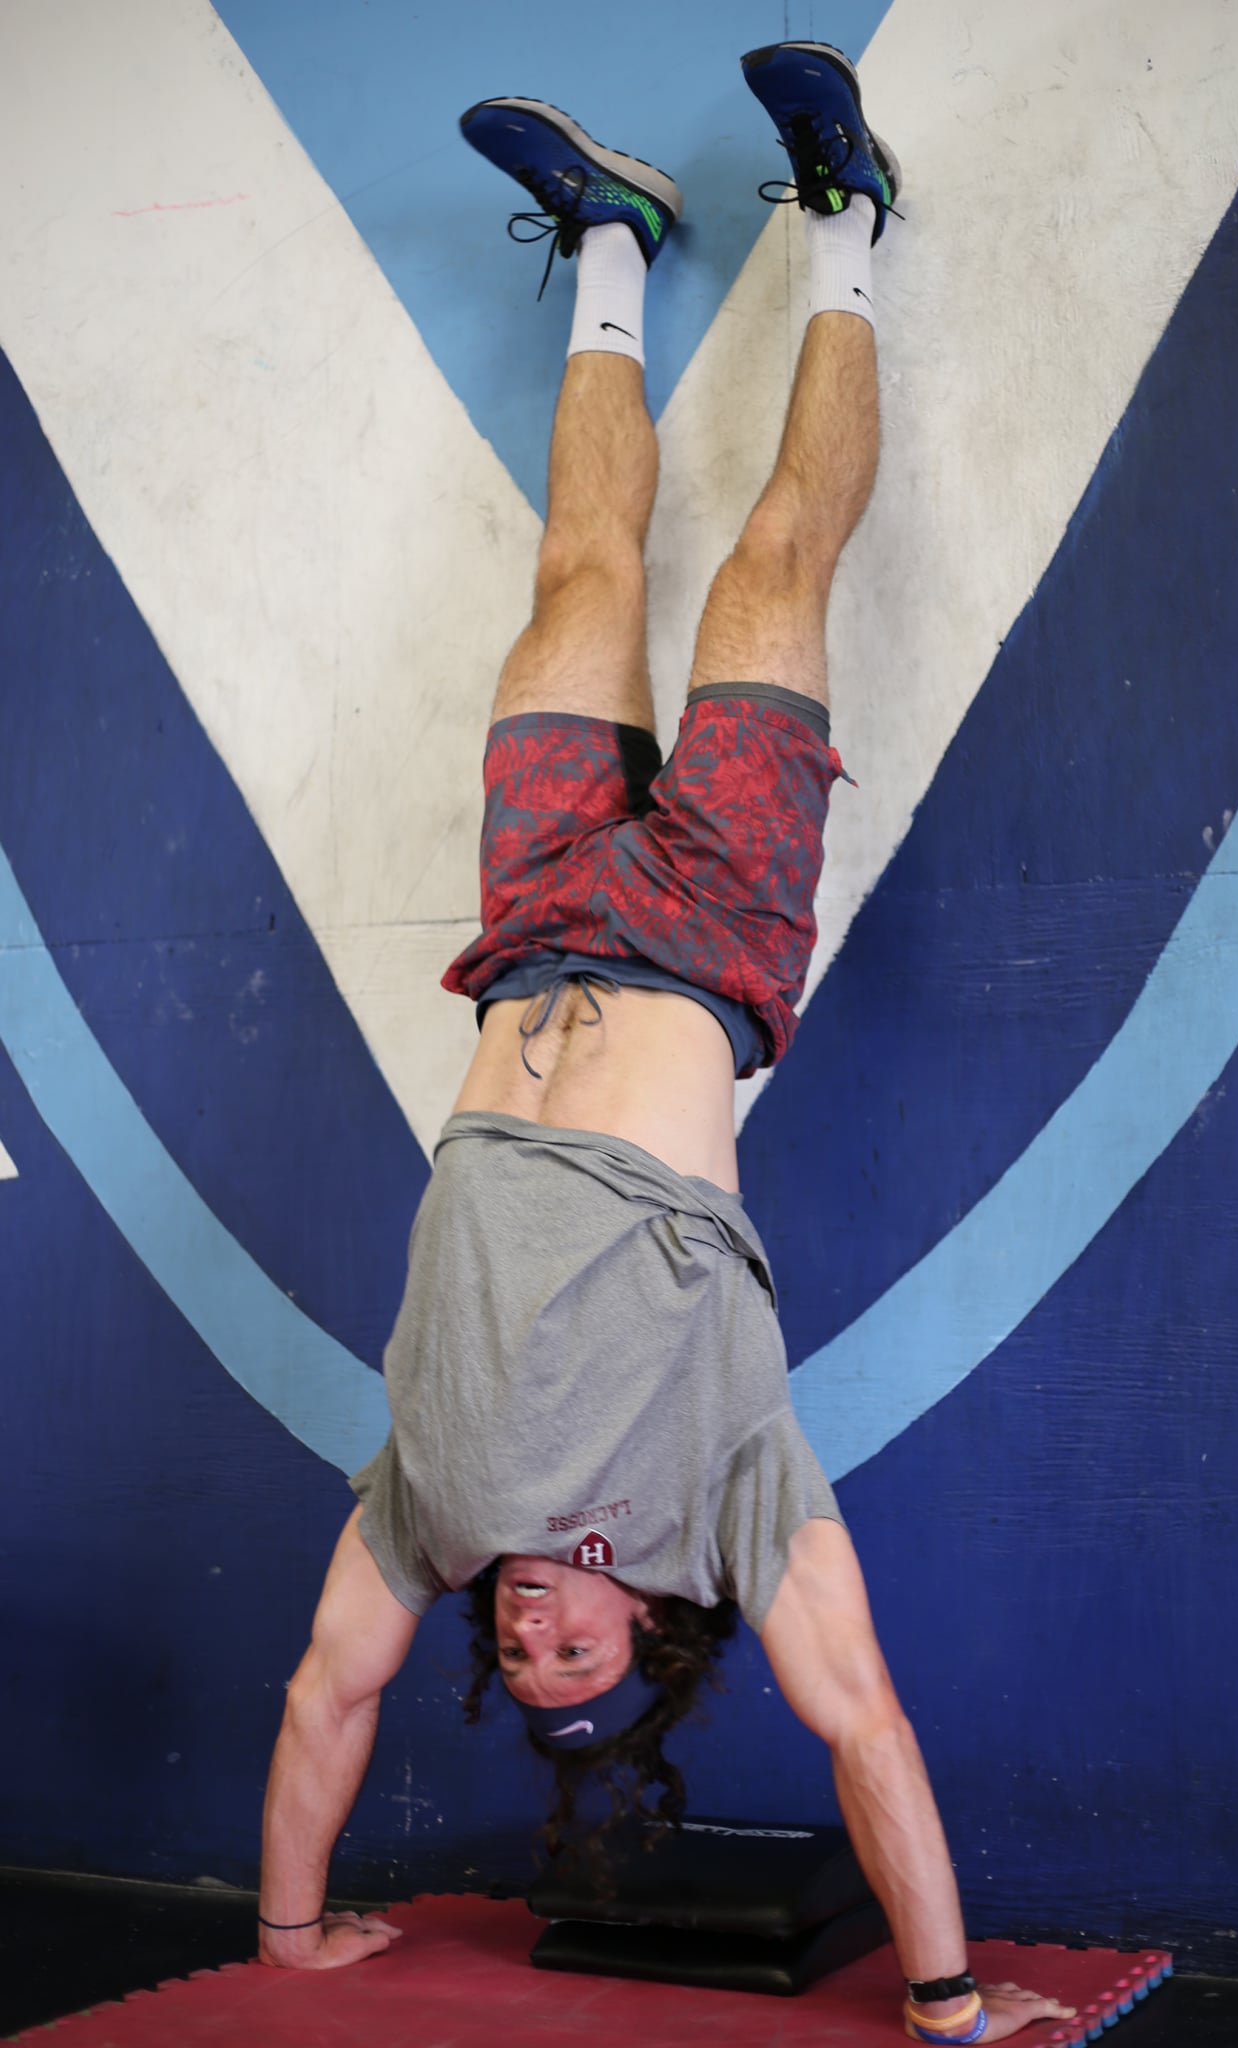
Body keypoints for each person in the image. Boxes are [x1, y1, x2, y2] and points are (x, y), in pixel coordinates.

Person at [256, 44, 1075, 2045]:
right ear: (656, 1624)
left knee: (577, 570)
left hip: (533, 928)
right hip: (708, 932)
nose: (537, 1631)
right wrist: (948, 2002)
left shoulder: (430, 1513)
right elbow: (863, 1721)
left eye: (518, 1654)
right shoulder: (733, 1504)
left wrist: (283, 1938)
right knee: (775, 563)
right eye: (578, 1657)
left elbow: (325, 1693)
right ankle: (849, 217)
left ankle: (616, 243)